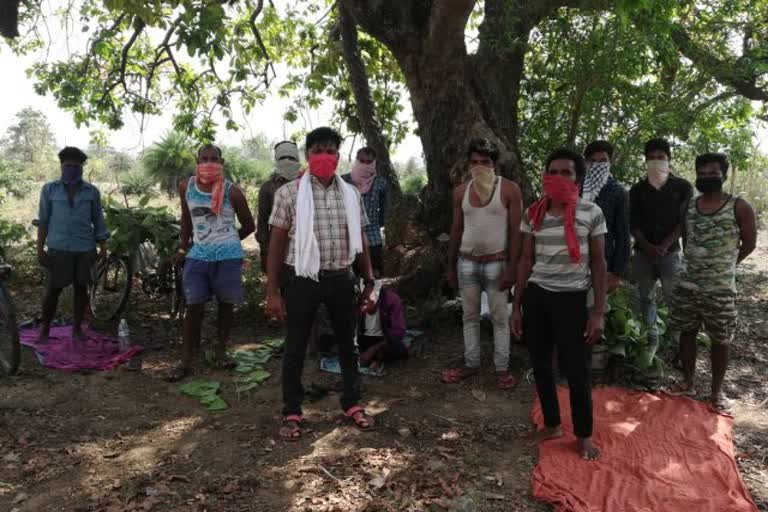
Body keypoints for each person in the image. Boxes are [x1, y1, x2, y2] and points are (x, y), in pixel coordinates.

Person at [266, 127, 377, 440]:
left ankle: (352, 403)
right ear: (308, 155)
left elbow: (363, 241)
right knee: (296, 346)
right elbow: (276, 245)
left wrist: (369, 282)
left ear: (338, 157)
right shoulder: (289, 193)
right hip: (302, 279)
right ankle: (291, 411)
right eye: (317, 150)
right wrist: (272, 291)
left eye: (330, 151)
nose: (324, 157)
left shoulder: (351, 193)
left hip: (342, 278)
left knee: (348, 344)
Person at [511, 148, 607, 460]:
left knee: (577, 371)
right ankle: (551, 424)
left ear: (578, 177)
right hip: (538, 296)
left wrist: (597, 312)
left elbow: (598, 262)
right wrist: (516, 306)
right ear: (545, 176)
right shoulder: (533, 213)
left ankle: (583, 435)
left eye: (567, 172)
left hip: (573, 299)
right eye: (554, 171)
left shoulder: (591, 212)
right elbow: (526, 259)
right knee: (541, 365)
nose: (559, 177)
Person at [668, 153, 756, 410]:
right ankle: (687, 382)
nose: (707, 178)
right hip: (688, 285)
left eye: (713, 173)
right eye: (702, 173)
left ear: (723, 175)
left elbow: (749, 244)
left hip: (720, 289)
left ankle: (716, 392)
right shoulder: (688, 207)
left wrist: (726, 266)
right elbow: (687, 240)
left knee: (721, 340)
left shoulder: (739, 206)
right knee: (687, 333)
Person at [166, 144, 255, 382]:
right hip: (198, 256)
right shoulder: (187, 186)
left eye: (213, 158)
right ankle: (186, 360)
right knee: (193, 307)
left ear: (221, 161)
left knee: (225, 306)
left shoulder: (232, 191)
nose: (208, 162)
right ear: (197, 160)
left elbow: (249, 225)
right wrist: (184, 247)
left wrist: (228, 240)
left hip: (228, 257)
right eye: (204, 158)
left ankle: (220, 352)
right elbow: (186, 219)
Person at [443, 138, 522, 389]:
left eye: (485, 162)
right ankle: (471, 364)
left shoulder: (509, 190)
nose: (479, 167)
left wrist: (512, 267)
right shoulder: (461, 192)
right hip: (466, 262)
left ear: (495, 164)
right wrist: (450, 265)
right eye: (474, 162)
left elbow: (516, 232)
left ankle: (502, 369)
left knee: (500, 318)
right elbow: (456, 230)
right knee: (469, 316)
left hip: (497, 263)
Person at [36, 147, 109, 342]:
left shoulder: (92, 192)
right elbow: (43, 221)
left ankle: (77, 329)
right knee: (53, 290)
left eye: (76, 166)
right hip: (58, 248)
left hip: (85, 249)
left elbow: (98, 220)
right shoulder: (49, 190)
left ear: (82, 168)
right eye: (68, 166)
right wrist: (40, 249)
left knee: (81, 289)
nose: (72, 169)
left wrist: (102, 246)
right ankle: (44, 330)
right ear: (61, 166)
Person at [629, 138, 693, 349]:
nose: (656, 161)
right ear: (646, 161)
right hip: (642, 254)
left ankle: (678, 345)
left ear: (668, 160)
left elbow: (684, 221)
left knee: (674, 299)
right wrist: (646, 246)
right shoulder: (637, 190)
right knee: (644, 299)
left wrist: (666, 244)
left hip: (672, 254)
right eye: (652, 158)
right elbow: (633, 222)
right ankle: (649, 340)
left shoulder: (682, 187)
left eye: (661, 158)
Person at [582, 141, 630, 293]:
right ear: (585, 163)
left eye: (602, 161)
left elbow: (623, 235)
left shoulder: (617, 192)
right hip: (572, 261)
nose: (597, 165)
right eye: (592, 161)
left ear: (610, 162)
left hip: (603, 262)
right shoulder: (576, 187)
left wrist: (617, 273)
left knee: (595, 309)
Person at [256, 141, 302, 273]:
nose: (287, 161)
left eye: (291, 158)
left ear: (297, 159)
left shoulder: (307, 184)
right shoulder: (268, 188)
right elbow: (262, 223)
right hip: (277, 245)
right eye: (282, 158)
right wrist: (265, 253)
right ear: (276, 160)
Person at [342, 146, 388, 273]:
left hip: (373, 239)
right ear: (356, 161)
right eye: (362, 161)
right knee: (350, 280)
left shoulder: (380, 183)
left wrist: (378, 223)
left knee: (374, 278)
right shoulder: (343, 181)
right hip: (348, 240)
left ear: (374, 163)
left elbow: (384, 209)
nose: (365, 165)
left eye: (369, 162)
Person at [358, 279, 409, 370]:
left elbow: (398, 332)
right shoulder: (357, 299)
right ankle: (372, 358)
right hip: (362, 339)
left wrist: (372, 350)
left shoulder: (391, 299)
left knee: (396, 348)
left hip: (383, 340)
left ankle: (377, 359)